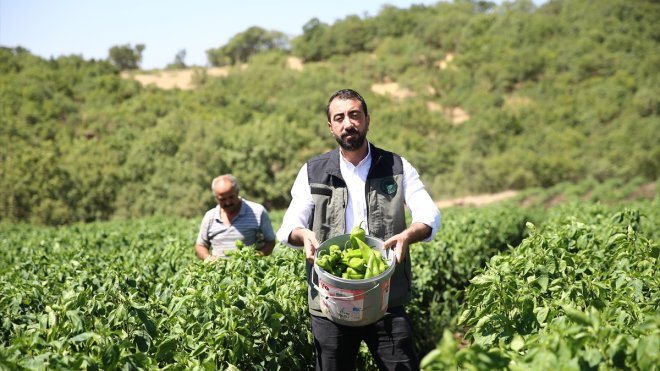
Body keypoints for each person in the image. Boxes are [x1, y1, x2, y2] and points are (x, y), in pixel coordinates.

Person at [276, 89, 441, 370]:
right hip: (331, 301)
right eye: (339, 118)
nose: (348, 123)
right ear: (331, 127)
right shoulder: (313, 171)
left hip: (385, 295)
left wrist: (408, 235)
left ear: (367, 119)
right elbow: (289, 226)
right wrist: (303, 235)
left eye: (354, 115)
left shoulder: (396, 166)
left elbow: (429, 214)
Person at [195, 174, 276, 261]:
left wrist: (256, 257)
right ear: (216, 198)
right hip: (218, 272)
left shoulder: (257, 211)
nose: (228, 202)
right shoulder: (210, 216)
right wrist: (208, 258)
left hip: (249, 271)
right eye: (222, 199)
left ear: (237, 192)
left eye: (231, 197)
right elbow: (200, 245)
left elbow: (270, 242)